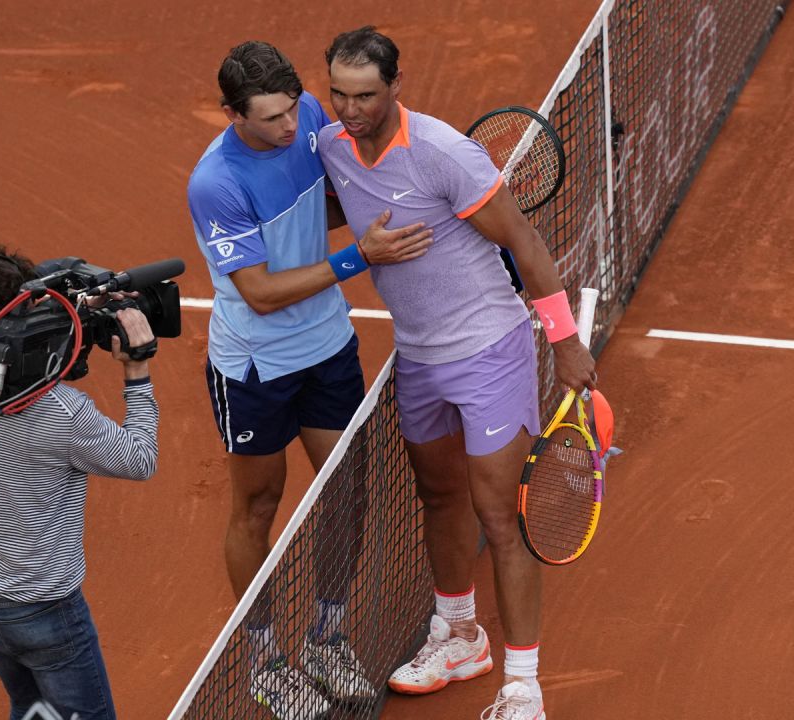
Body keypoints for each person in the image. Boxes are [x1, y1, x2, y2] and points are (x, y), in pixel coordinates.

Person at [317, 27, 597, 720]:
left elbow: (524, 241)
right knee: (439, 497)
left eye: (366, 96)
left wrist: (562, 342)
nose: (350, 110)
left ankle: (522, 686)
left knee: (501, 517)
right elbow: (331, 207)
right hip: (417, 356)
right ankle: (459, 636)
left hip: (489, 351)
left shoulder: (444, 153)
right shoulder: (330, 145)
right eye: (338, 95)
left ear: (395, 87)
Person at [186, 40, 432, 719]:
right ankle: (266, 659)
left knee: (346, 490)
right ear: (233, 113)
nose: (291, 128)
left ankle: (326, 635)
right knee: (258, 508)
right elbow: (261, 292)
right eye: (271, 119)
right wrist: (361, 256)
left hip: (326, 346)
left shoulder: (312, 115)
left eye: (294, 110)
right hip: (255, 367)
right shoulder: (217, 183)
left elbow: (328, 199)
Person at [0, 245, 160, 720]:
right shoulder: (60, 413)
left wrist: (74, 312)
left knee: (32, 710)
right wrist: (137, 371)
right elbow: (139, 459)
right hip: (44, 611)